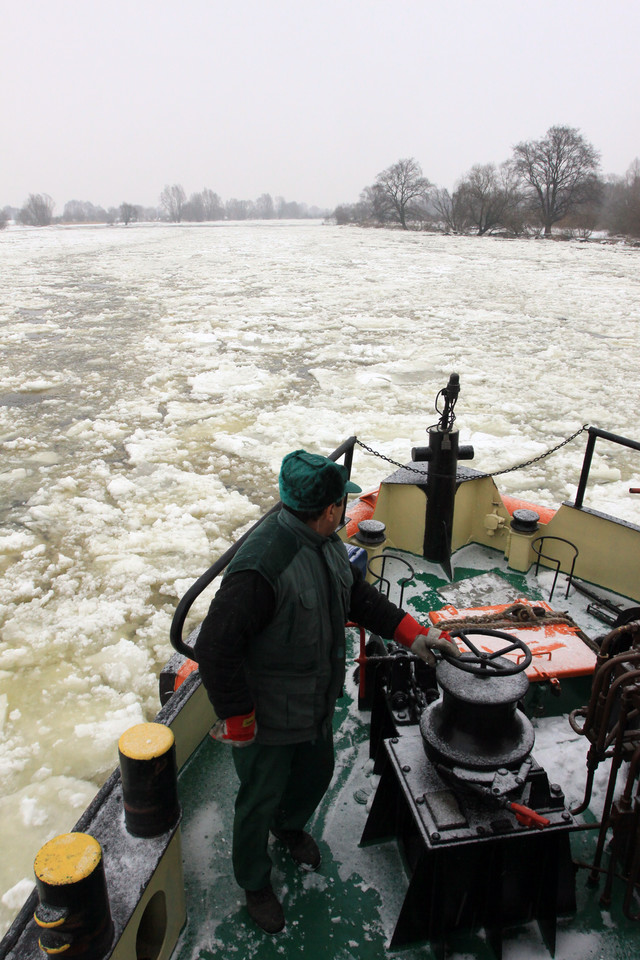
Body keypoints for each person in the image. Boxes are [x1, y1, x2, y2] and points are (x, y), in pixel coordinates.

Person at [193, 449, 458, 934]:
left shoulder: (326, 543)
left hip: (314, 702)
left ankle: (288, 827)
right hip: (267, 716)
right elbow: (214, 647)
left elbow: (357, 595)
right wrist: (239, 716)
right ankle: (254, 881)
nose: (344, 510)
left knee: (316, 773)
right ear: (332, 509)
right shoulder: (260, 567)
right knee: (257, 798)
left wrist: (411, 633)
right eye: (343, 503)